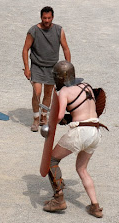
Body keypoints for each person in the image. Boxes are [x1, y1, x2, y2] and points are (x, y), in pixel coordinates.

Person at [43, 61, 106, 218]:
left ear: (61, 77)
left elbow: (57, 116)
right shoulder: (87, 86)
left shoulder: (64, 91)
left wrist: (51, 122)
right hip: (95, 131)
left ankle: (58, 199)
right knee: (82, 169)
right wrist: (68, 118)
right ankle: (95, 206)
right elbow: (81, 109)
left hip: (81, 131)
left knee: (51, 160)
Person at [22, 6, 71, 132]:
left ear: (52, 17)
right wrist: (27, 68)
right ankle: (36, 118)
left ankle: (44, 116)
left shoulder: (59, 30)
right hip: (37, 66)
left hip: (52, 67)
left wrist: (67, 67)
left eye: (49, 18)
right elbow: (25, 49)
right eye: (44, 18)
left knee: (48, 93)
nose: (47, 20)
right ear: (41, 18)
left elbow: (65, 48)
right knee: (37, 92)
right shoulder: (33, 31)